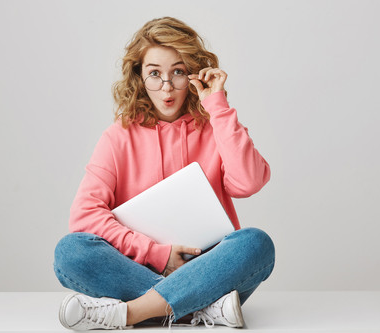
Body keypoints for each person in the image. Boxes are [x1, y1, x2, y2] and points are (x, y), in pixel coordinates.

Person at [54, 16, 275, 330]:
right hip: (138, 267)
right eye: (155, 74)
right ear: (139, 77)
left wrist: (217, 104)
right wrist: (157, 254)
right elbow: (84, 216)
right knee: (70, 252)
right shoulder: (118, 137)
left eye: (178, 72)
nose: (167, 86)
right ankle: (202, 309)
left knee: (256, 244)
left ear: (193, 73)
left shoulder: (216, 125)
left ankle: (132, 313)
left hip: (210, 267)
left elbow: (249, 182)